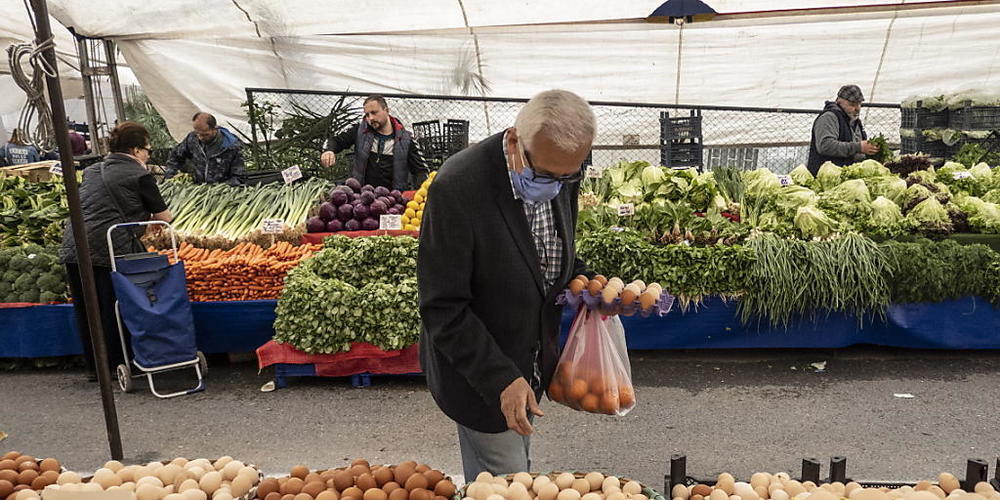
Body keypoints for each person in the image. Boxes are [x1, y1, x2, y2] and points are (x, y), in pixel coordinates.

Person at [418, 89, 596, 479]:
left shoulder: (562, 172)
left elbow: (549, 253)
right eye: (545, 174)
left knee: (515, 474)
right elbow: (441, 306)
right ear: (514, 140)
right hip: (480, 371)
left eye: (568, 175)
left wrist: (586, 279)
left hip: (528, 360)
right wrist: (501, 379)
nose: (556, 185)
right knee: (509, 480)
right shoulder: (458, 188)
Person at [59, 121, 173, 381]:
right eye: (147, 150)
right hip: (109, 247)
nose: (148, 155)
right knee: (114, 306)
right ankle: (121, 362)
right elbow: (165, 216)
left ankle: (96, 368)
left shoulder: (92, 171)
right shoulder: (140, 175)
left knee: (88, 309)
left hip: (74, 245)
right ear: (135, 150)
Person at [320, 95, 429, 190]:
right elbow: (335, 140)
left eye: (374, 113)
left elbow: (421, 171)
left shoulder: (407, 139)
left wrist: (422, 194)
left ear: (386, 110)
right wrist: (328, 150)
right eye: (367, 115)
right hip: (362, 198)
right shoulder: (359, 131)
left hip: (394, 200)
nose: (370, 118)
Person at [806, 84, 879, 174]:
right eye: (852, 104)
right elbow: (825, 146)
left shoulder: (854, 121)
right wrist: (859, 147)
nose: (857, 108)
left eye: (859, 104)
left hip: (846, 175)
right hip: (826, 177)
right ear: (839, 102)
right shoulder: (829, 117)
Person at [164, 112, 245, 185]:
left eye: (205, 134)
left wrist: (218, 188)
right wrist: (170, 177)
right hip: (197, 190)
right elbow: (175, 156)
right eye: (198, 133)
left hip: (222, 193)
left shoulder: (232, 146)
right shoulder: (192, 139)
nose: (200, 138)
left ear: (215, 128)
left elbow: (239, 177)